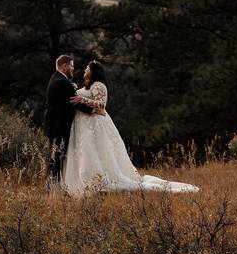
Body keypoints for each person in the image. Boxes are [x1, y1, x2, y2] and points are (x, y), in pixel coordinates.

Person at [62, 60, 199, 196]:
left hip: (95, 125)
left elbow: (102, 104)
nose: (85, 69)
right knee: (87, 154)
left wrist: (83, 100)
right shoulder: (87, 86)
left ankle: (99, 182)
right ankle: (86, 181)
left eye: (88, 67)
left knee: (98, 152)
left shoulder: (98, 85)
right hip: (83, 126)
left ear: (94, 71)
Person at [44, 54, 94, 190]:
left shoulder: (57, 78)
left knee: (55, 157)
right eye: (71, 65)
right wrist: (94, 109)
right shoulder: (62, 82)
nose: (73, 68)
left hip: (55, 125)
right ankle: (53, 189)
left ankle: (53, 188)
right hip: (58, 126)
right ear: (65, 66)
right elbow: (75, 103)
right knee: (57, 158)